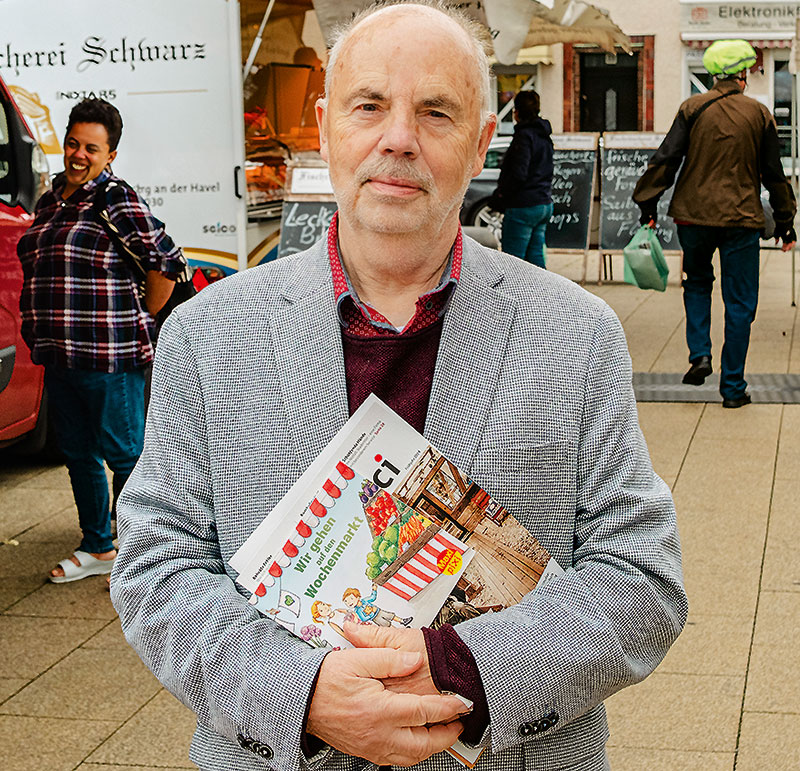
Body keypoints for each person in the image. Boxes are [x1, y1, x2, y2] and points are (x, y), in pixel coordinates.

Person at [111, 3, 687, 770]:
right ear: (326, 127)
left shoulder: (575, 334)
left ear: (482, 141)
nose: (398, 139)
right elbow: (156, 566)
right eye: (370, 105)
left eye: (436, 112)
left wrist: (461, 671)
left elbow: (641, 576)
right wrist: (302, 692)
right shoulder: (208, 335)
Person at [17, 98, 188, 583]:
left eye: (91, 148)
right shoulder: (52, 200)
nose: (78, 154)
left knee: (124, 452)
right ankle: (97, 545)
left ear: (109, 154)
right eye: (73, 143)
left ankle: (144, 552)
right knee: (77, 452)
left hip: (109, 355)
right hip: (60, 353)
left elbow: (165, 260)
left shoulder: (115, 198)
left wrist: (145, 317)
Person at [633, 39, 796, 409]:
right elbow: (774, 174)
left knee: (696, 283)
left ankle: (700, 354)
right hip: (741, 219)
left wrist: (647, 203)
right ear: (742, 74)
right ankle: (733, 388)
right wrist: (785, 221)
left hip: (692, 216)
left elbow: (666, 159)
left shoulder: (692, 107)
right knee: (740, 303)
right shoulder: (759, 114)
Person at [490, 89, 554, 268]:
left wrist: (502, 195)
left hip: (523, 205)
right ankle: (542, 294)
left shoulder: (524, 137)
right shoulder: (544, 136)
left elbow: (519, 173)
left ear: (517, 112)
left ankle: (514, 295)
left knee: (512, 263)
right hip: (543, 202)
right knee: (535, 259)